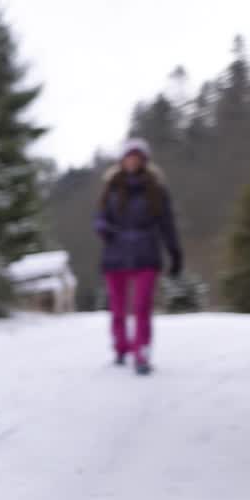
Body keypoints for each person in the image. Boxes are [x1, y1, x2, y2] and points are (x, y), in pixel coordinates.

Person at [94, 137, 183, 375]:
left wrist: (175, 253)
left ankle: (141, 351)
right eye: (128, 157)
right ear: (122, 160)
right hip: (116, 254)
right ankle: (121, 346)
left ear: (144, 161)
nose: (132, 161)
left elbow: (167, 224)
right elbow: (100, 216)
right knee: (118, 307)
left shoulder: (156, 189)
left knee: (142, 305)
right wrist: (103, 228)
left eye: (137, 158)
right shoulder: (111, 186)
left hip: (146, 253)